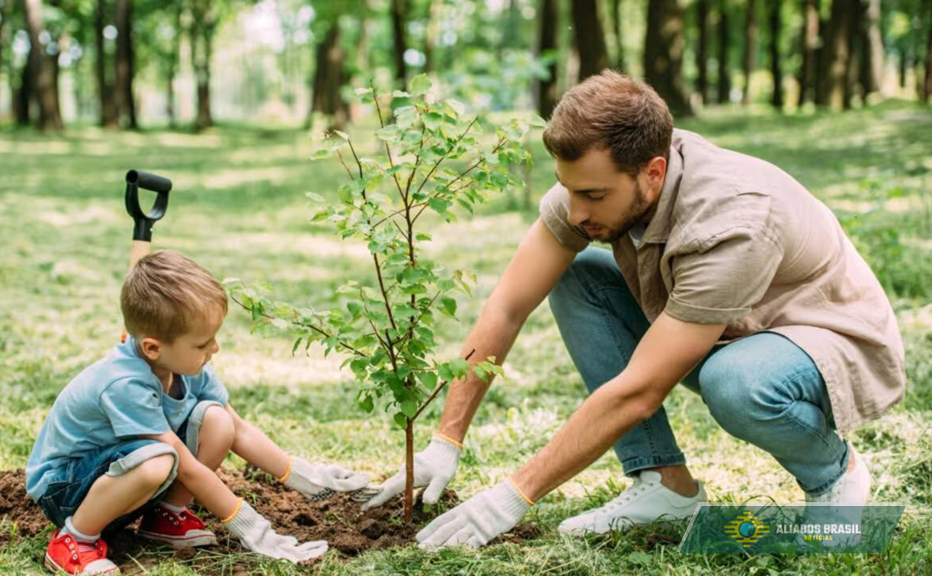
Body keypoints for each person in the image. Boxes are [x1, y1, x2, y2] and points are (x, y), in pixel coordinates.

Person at [363, 71, 905, 550]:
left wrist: (512, 495)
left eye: (594, 196)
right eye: (567, 190)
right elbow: (507, 305)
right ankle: (665, 486)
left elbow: (642, 390)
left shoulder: (733, 220)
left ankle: (834, 474)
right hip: (724, 324)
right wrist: (445, 439)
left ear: (652, 171)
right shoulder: (590, 186)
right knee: (578, 280)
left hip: (823, 338)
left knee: (734, 381)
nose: (576, 212)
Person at [26, 250, 370, 574]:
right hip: (66, 489)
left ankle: (165, 517)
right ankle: (75, 539)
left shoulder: (185, 366)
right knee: (158, 460)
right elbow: (186, 468)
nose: (214, 349)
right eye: (203, 344)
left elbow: (239, 429)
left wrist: (306, 478)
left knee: (218, 422)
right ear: (152, 347)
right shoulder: (124, 384)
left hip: (118, 477)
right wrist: (254, 529)